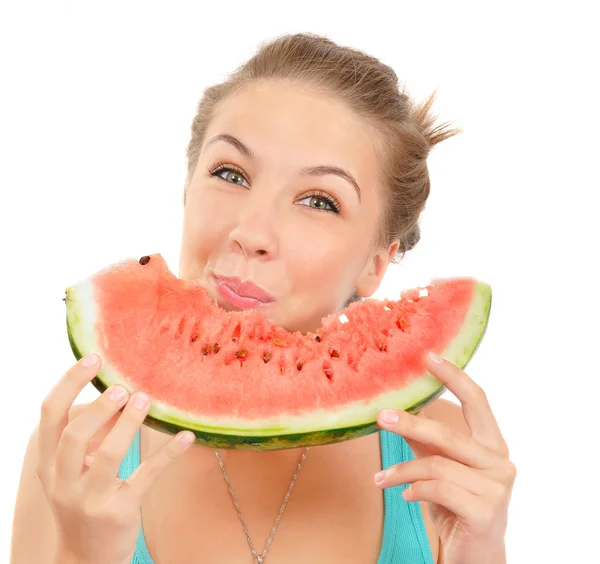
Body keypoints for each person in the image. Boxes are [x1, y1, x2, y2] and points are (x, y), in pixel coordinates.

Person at [11, 33, 516, 564]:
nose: (251, 231)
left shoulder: (439, 450)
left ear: (376, 262)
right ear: (187, 190)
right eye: (230, 174)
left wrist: (478, 553)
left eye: (319, 201)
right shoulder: (79, 452)